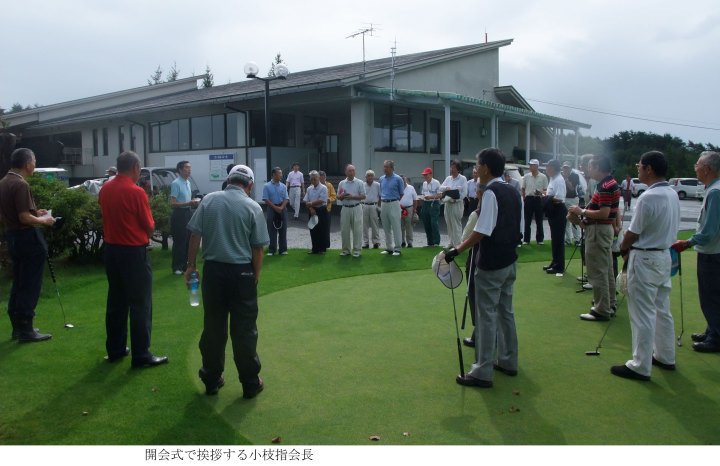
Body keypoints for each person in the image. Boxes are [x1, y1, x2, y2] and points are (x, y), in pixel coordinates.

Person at [185, 164, 269, 398]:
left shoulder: (209, 200)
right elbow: (258, 249)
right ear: (250, 186)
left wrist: (191, 265)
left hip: (214, 272)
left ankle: (211, 379)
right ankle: (250, 383)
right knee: (244, 330)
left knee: (213, 327)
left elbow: (195, 234)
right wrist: (255, 276)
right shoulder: (253, 207)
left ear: (229, 180)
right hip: (241, 273)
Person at [445, 147, 522, 388]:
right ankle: (508, 361)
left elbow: (482, 230)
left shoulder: (491, 193)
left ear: (486, 168)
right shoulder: (513, 191)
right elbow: (519, 229)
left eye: (477, 165)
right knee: (505, 312)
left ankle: (482, 371)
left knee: (486, 316)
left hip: (492, 263)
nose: (475, 170)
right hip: (510, 261)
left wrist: (457, 250)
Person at [611, 151, 680, 381]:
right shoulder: (671, 193)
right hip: (663, 255)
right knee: (662, 309)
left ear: (649, 169)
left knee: (642, 313)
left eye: (639, 166)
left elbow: (633, 232)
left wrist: (623, 247)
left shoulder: (648, 197)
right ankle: (665, 356)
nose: (638, 169)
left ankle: (640, 365)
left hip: (645, 257)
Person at [99, 151, 168, 367]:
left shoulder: (105, 188)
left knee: (116, 301)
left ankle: (116, 349)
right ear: (136, 167)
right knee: (140, 303)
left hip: (111, 251)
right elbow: (149, 226)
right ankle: (141, 354)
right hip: (132, 252)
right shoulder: (136, 192)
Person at [0, 148, 55, 342]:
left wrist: (35, 214)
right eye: (34, 161)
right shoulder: (21, 184)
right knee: (30, 283)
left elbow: (13, 214)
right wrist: (43, 221)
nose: (34, 165)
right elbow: (24, 217)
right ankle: (26, 328)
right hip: (27, 238)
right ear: (26, 163)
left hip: (13, 236)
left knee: (19, 281)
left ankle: (17, 327)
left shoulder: (4, 182)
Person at [672, 150, 720, 353]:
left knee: (711, 296)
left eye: (698, 165)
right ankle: (712, 331)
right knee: (712, 294)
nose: (696, 169)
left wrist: (688, 243)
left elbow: (709, 231)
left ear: (707, 169)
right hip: (713, 251)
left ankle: (716, 338)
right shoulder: (714, 189)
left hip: (712, 253)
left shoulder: (715, 192)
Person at [568, 154, 621, 321]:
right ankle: (609, 304)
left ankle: (601, 309)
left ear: (598, 167)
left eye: (591, 167)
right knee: (606, 270)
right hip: (603, 230)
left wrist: (581, 211)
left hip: (598, 230)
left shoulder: (604, 186)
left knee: (598, 271)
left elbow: (604, 213)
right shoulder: (610, 183)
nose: (588, 170)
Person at [460, 182, 485, 347]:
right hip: (496, 260)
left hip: (477, 261)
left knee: (476, 299)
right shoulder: (500, 210)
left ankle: (480, 335)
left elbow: (465, 239)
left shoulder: (477, 215)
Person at [170, 161, 200, 275]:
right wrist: (189, 202)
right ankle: (176, 267)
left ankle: (184, 266)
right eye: (187, 167)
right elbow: (173, 203)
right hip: (179, 214)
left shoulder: (188, 182)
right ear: (180, 170)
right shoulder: (176, 183)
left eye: (190, 167)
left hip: (188, 212)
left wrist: (192, 202)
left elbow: (187, 201)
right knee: (180, 240)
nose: (189, 169)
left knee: (188, 240)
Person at [542, 159, 567, 274]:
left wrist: (546, 198)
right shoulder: (553, 179)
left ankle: (559, 266)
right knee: (554, 238)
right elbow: (551, 194)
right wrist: (544, 194)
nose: (546, 169)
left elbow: (559, 199)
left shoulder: (559, 180)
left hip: (558, 210)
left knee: (558, 239)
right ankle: (555, 262)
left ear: (552, 168)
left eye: (548, 167)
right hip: (553, 210)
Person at [337, 164, 366, 257]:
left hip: (356, 207)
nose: (352, 172)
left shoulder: (360, 182)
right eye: (350, 171)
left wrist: (352, 197)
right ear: (346, 172)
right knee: (344, 230)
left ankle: (357, 250)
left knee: (357, 230)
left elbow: (363, 196)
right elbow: (338, 196)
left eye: (353, 170)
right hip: (345, 208)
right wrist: (341, 196)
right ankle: (346, 250)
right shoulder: (342, 183)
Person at [379, 160, 404, 256]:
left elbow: (401, 193)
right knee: (386, 227)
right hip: (384, 203)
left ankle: (397, 248)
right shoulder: (381, 179)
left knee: (396, 226)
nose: (385, 169)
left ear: (392, 168)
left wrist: (394, 201)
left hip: (394, 203)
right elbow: (381, 191)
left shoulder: (398, 179)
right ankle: (389, 248)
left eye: (387, 167)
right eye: (384, 167)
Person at [440, 160, 468, 248]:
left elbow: (464, 193)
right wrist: (446, 187)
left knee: (456, 224)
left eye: (454, 168)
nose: (452, 170)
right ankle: (451, 242)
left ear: (458, 169)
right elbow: (441, 187)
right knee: (449, 223)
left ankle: (458, 244)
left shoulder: (462, 179)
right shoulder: (448, 178)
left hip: (457, 204)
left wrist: (457, 200)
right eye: (451, 168)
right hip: (448, 203)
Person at [262, 166, 289, 256]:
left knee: (283, 229)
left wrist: (281, 207)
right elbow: (266, 199)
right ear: (273, 174)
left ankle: (283, 249)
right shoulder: (267, 186)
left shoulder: (283, 186)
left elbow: (286, 198)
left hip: (282, 208)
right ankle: (272, 249)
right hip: (271, 208)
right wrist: (275, 207)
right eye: (279, 173)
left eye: (281, 173)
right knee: (271, 229)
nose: (281, 175)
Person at [521, 159, 548, 245]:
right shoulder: (526, 176)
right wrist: (524, 198)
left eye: (532, 165)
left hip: (538, 199)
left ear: (536, 166)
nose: (530, 167)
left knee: (539, 220)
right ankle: (526, 239)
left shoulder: (543, 177)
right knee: (527, 220)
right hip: (529, 199)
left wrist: (539, 193)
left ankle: (540, 239)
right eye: (530, 165)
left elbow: (545, 191)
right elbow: (523, 188)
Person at [304, 170, 329, 254]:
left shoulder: (323, 188)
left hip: (321, 210)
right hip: (312, 210)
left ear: (319, 178)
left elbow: (321, 200)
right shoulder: (309, 188)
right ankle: (315, 248)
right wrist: (311, 208)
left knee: (322, 229)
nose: (313, 181)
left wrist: (311, 204)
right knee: (313, 229)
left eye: (315, 179)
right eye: (311, 179)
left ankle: (322, 249)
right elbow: (306, 200)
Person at [421, 167, 442, 247]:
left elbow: (440, 195)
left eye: (426, 175)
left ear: (431, 175)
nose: (425, 176)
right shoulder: (424, 183)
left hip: (434, 202)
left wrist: (430, 197)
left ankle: (436, 241)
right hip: (426, 203)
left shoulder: (436, 182)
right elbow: (423, 193)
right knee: (426, 222)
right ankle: (430, 242)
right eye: (424, 175)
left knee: (433, 222)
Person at [562, 162, 581, 245]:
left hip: (573, 199)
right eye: (564, 168)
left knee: (574, 219)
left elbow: (572, 188)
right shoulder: (560, 176)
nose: (565, 169)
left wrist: (566, 179)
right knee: (566, 220)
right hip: (564, 198)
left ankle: (577, 239)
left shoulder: (575, 176)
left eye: (567, 168)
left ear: (570, 168)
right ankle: (568, 239)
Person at [362, 169, 381, 249]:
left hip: (374, 206)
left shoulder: (377, 185)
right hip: (364, 205)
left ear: (373, 177)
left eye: (371, 175)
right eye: (368, 175)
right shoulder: (362, 185)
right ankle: (366, 242)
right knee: (364, 225)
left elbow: (380, 196)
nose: (370, 177)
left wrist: (378, 206)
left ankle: (376, 242)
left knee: (375, 225)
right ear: (366, 177)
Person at [399, 175, 418, 248]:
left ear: (406, 180)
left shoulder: (411, 188)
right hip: (399, 208)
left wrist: (414, 209)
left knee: (409, 226)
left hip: (409, 208)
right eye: (401, 179)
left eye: (403, 179)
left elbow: (415, 199)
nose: (402, 180)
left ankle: (409, 242)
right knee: (400, 226)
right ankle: (402, 241)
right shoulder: (397, 188)